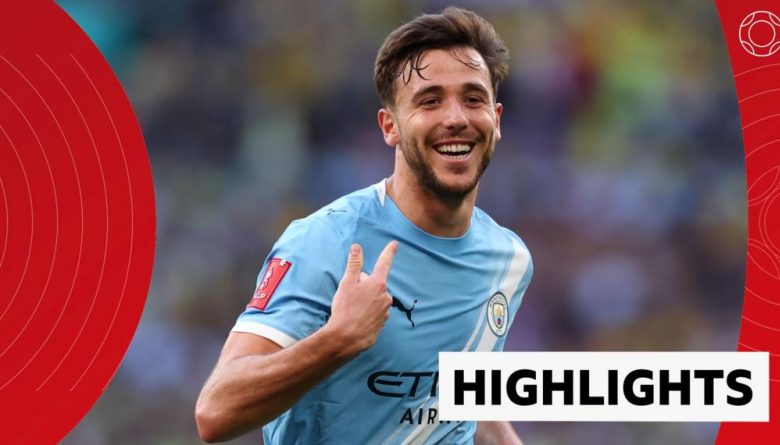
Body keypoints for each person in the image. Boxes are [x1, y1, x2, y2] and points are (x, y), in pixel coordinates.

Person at [195, 7, 533, 444]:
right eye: (430, 101)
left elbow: (464, 402)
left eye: (473, 98)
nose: (456, 118)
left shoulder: (509, 261)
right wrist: (338, 340)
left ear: (497, 119)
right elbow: (215, 412)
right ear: (390, 126)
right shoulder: (327, 242)